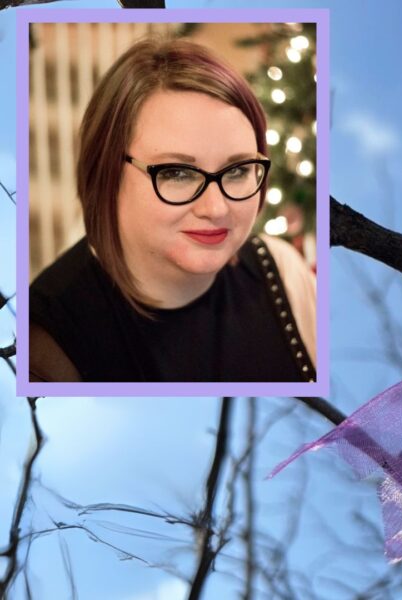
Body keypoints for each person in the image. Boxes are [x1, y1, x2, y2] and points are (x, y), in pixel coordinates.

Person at [29, 36, 317, 383]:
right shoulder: (43, 343)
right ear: (107, 173)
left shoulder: (283, 273)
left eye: (238, 170)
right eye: (177, 173)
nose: (216, 207)